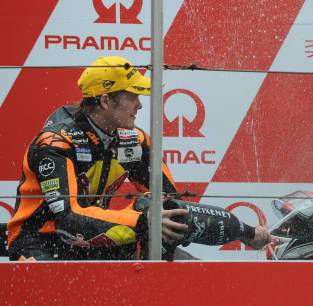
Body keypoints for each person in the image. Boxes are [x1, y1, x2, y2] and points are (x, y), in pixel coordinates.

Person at [7, 55, 270, 261]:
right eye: (133, 96)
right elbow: (69, 218)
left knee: (161, 215)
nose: (140, 105)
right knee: (147, 219)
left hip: (92, 241)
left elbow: (171, 204)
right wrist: (143, 222)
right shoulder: (55, 143)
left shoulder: (132, 139)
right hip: (41, 241)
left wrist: (247, 233)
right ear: (106, 101)